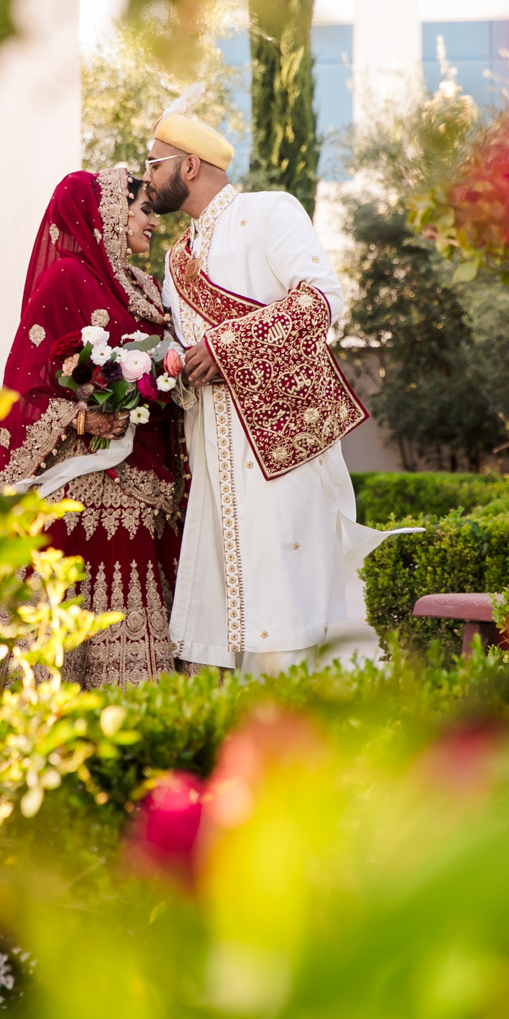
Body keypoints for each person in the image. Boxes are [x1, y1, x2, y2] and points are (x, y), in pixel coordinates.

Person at [145, 100, 394, 674]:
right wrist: (181, 362)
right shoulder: (176, 258)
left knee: (283, 580)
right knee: (225, 580)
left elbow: (320, 302)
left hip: (279, 438)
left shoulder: (269, 212)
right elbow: (185, 345)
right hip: (211, 443)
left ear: (189, 166)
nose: (146, 178)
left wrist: (225, 347)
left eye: (154, 165)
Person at [0, 166, 184, 686]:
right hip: (75, 486)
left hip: (139, 490)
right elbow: (25, 387)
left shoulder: (145, 287)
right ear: (109, 217)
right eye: (144, 210)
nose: (152, 223)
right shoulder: (65, 278)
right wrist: (80, 415)